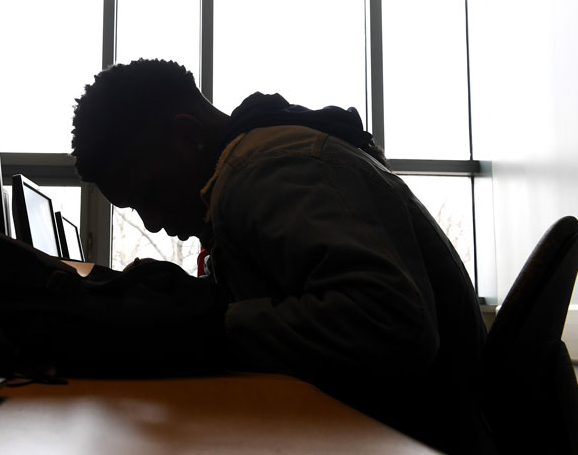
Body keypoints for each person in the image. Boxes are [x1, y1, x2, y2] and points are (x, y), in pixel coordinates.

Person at [71, 58, 494, 455]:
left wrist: (197, 325)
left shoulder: (265, 168)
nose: (153, 221)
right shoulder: (265, 159)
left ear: (188, 136)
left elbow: (392, 321)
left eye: (150, 194)